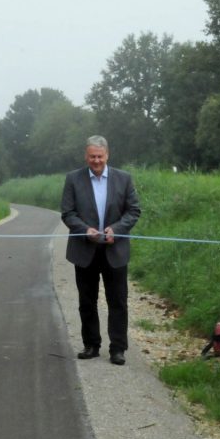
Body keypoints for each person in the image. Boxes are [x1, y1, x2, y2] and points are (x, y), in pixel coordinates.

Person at [61, 135, 141, 366]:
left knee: (118, 301)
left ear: (107, 155)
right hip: (84, 251)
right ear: (86, 156)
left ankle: (118, 348)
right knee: (87, 301)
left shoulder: (124, 179)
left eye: (100, 156)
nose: (96, 160)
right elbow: (68, 213)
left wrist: (116, 229)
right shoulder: (73, 179)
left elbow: (133, 211)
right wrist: (84, 229)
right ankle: (91, 345)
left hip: (115, 251)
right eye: (92, 156)